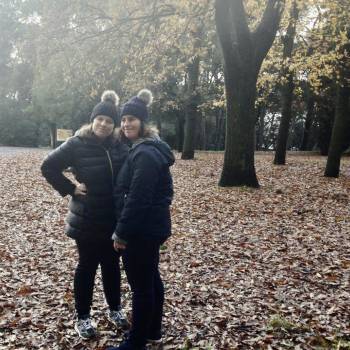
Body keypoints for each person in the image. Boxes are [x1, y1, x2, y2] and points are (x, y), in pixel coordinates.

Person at [41, 91, 129, 339]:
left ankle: (115, 309)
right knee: (87, 266)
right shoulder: (77, 143)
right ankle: (83, 317)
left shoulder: (119, 144)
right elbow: (48, 166)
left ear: (114, 125)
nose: (103, 124)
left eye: (109, 121)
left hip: (113, 216)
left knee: (112, 265)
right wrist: (70, 188)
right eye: (99, 119)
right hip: (88, 217)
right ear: (93, 120)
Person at [108, 89, 175, 350]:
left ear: (143, 122)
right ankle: (153, 331)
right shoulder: (149, 148)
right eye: (123, 120)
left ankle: (136, 342)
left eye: (131, 119)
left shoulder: (145, 153)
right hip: (152, 226)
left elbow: (136, 198)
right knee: (150, 278)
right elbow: (165, 192)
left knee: (141, 286)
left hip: (141, 230)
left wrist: (121, 233)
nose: (126, 124)